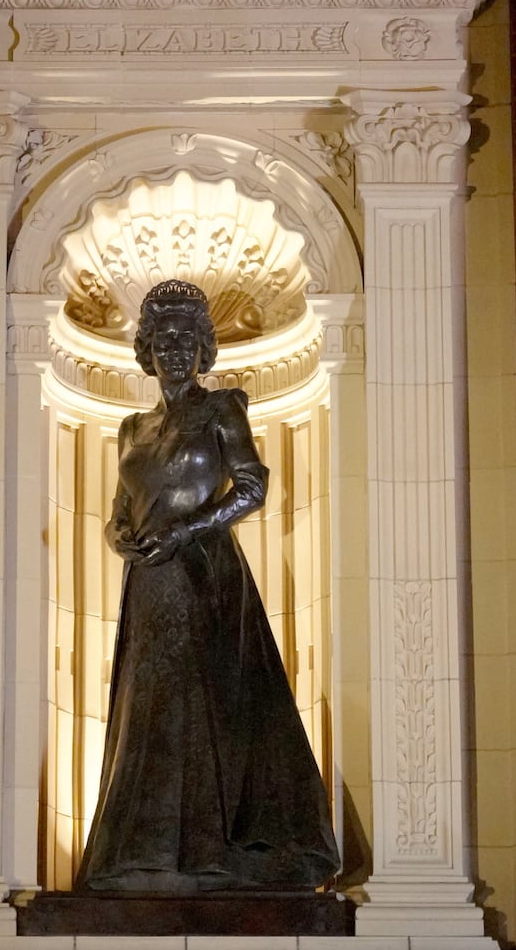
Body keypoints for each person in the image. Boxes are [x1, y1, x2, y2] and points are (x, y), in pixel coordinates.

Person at [75, 279, 340, 893]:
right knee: (150, 706)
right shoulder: (132, 426)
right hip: (149, 581)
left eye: (185, 339)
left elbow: (250, 488)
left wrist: (186, 531)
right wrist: (121, 537)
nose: (173, 350)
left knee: (203, 702)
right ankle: (144, 851)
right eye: (162, 339)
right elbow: (121, 506)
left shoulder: (222, 410)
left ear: (202, 348)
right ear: (145, 349)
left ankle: (206, 852)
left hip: (203, 575)